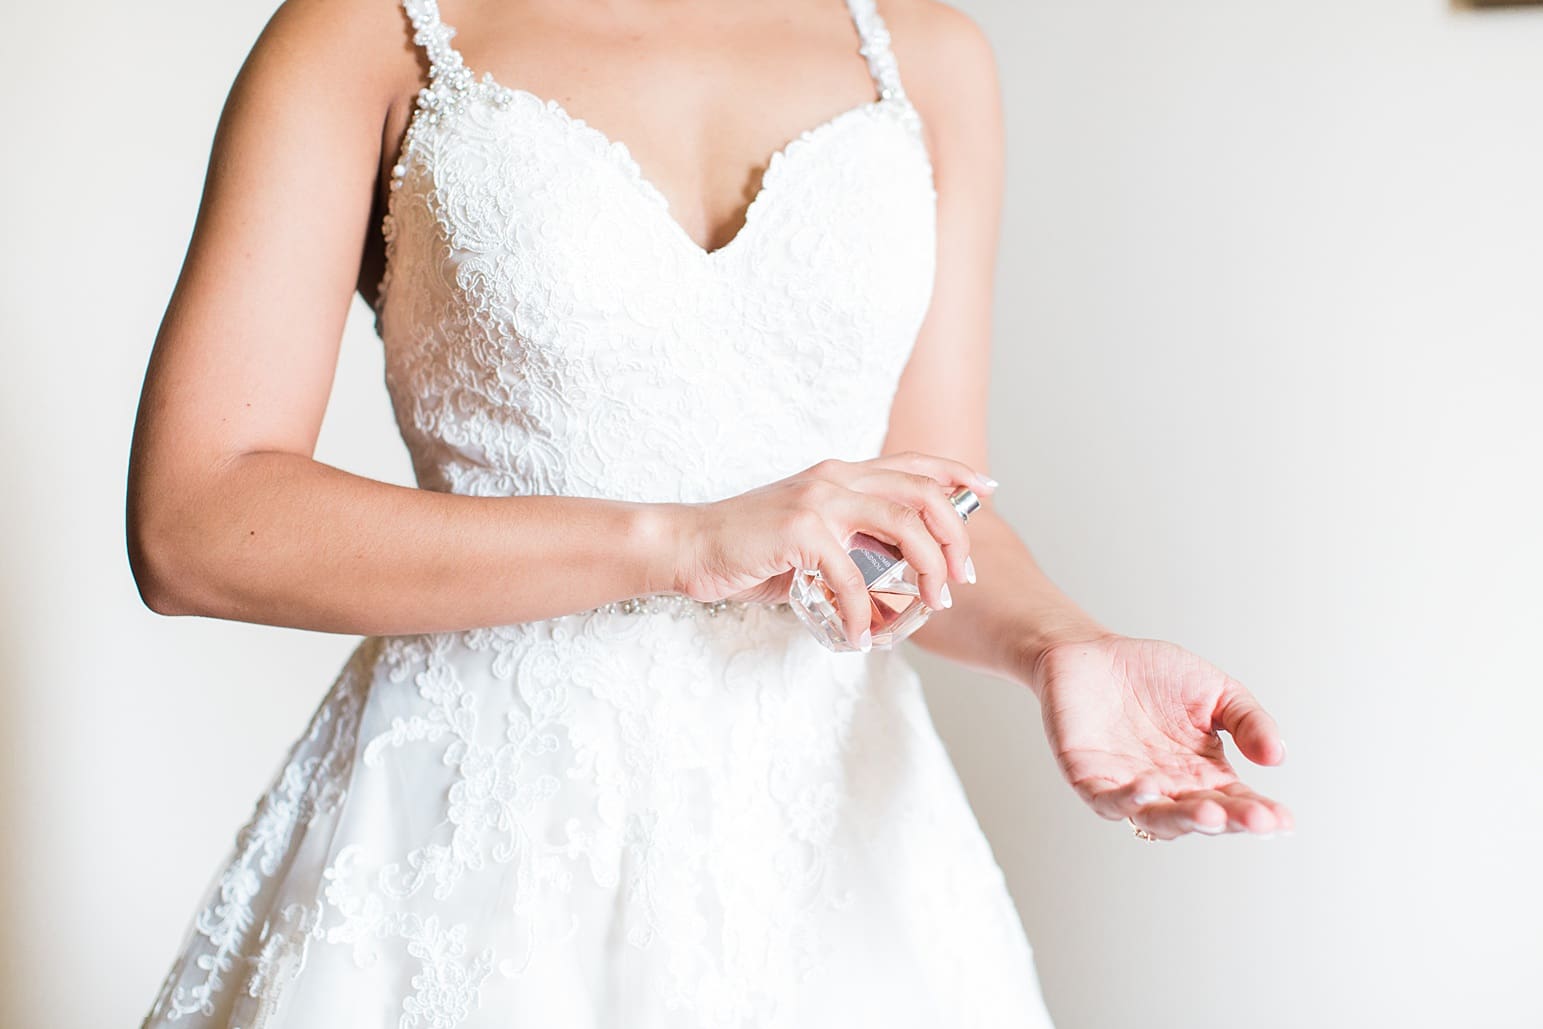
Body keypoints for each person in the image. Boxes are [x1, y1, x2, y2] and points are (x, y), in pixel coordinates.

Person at [126, 0, 1294, 1025]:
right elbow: (197, 520)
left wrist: (1062, 648)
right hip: (481, 839)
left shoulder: (926, 56)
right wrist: (682, 542)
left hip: (824, 843)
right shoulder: (366, 31)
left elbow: (932, 510)